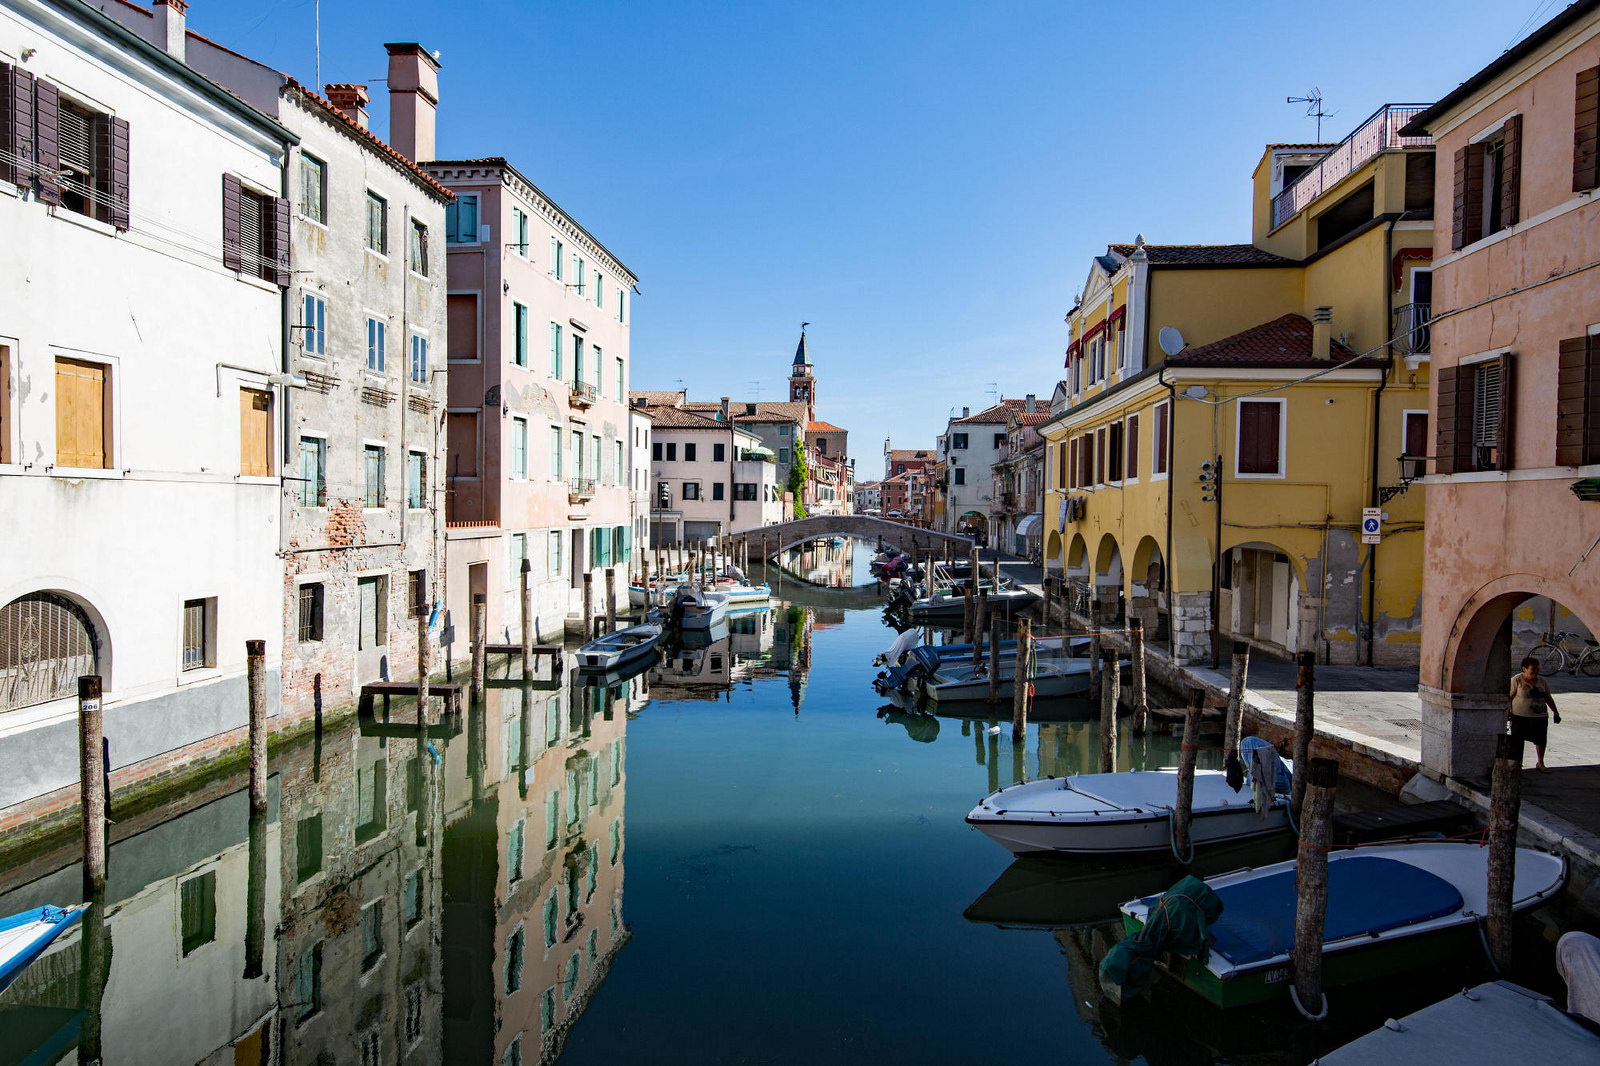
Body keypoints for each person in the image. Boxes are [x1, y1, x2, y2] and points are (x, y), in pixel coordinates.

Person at [1508, 656, 1562, 771]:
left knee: (1541, 740)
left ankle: (1540, 762)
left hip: (1539, 716)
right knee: (1517, 740)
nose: (1536, 672)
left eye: (1537, 669)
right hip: (1520, 716)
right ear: (1524, 669)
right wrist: (1507, 711)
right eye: (1533, 669)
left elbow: (1548, 697)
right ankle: (1517, 763)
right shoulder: (1517, 680)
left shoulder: (1542, 681)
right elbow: (1510, 697)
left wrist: (1555, 712)